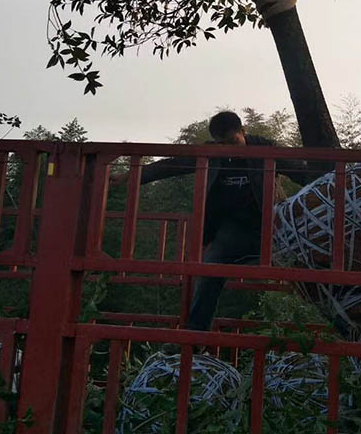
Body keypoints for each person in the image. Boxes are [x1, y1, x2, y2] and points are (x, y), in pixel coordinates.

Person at [114, 111, 314, 331]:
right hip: (233, 231)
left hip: (273, 226)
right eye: (223, 144)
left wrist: (334, 184)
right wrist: (129, 176)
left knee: (311, 267)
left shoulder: (265, 148)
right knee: (208, 271)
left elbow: (300, 171)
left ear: (243, 131)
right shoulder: (211, 153)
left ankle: (319, 326)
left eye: (233, 142)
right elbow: (171, 165)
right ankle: (196, 333)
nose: (228, 149)